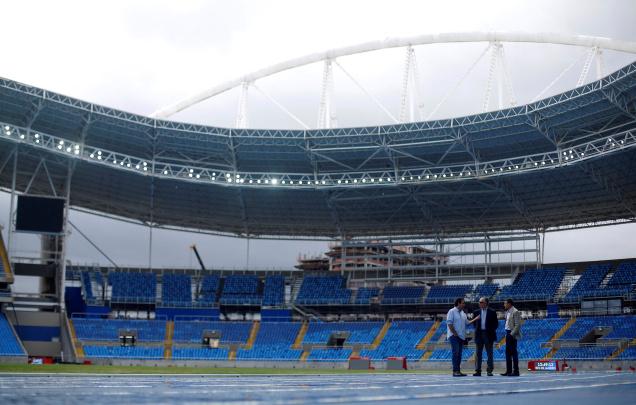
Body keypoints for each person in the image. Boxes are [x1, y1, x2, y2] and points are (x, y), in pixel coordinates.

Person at [447, 297, 480, 377]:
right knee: (456, 353)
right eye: (463, 303)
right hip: (454, 336)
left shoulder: (463, 313)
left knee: (459, 354)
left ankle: (458, 370)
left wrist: (475, 318)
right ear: (458, 303)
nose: (464, 304)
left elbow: (467, 323)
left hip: (461, 337)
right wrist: (454, 333)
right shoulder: (451, 311)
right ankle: (455, 371)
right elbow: (449, 323)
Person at [472, 297, 498, 376]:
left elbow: (496, 324)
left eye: (481, 302)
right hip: (479, 334)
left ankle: (489, 370)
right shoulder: (476, 312)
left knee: (489, 353)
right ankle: (478, 370)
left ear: (486, 303)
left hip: (488, 334)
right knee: (478, 353)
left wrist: (490, 330)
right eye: (479, 302)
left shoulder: (492, 312)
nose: (479, 303)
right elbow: (474, 323)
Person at [501, 298, 522, 376]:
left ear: (509, 304)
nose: (504, 305)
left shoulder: (515, 311)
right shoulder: (507, 312)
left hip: (512, 334)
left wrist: (511, 334)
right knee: (507, 353)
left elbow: (518, 325)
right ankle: (509, 371)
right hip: (507, 333)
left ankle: (516, 371)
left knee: (513, 353)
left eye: (505, 303)